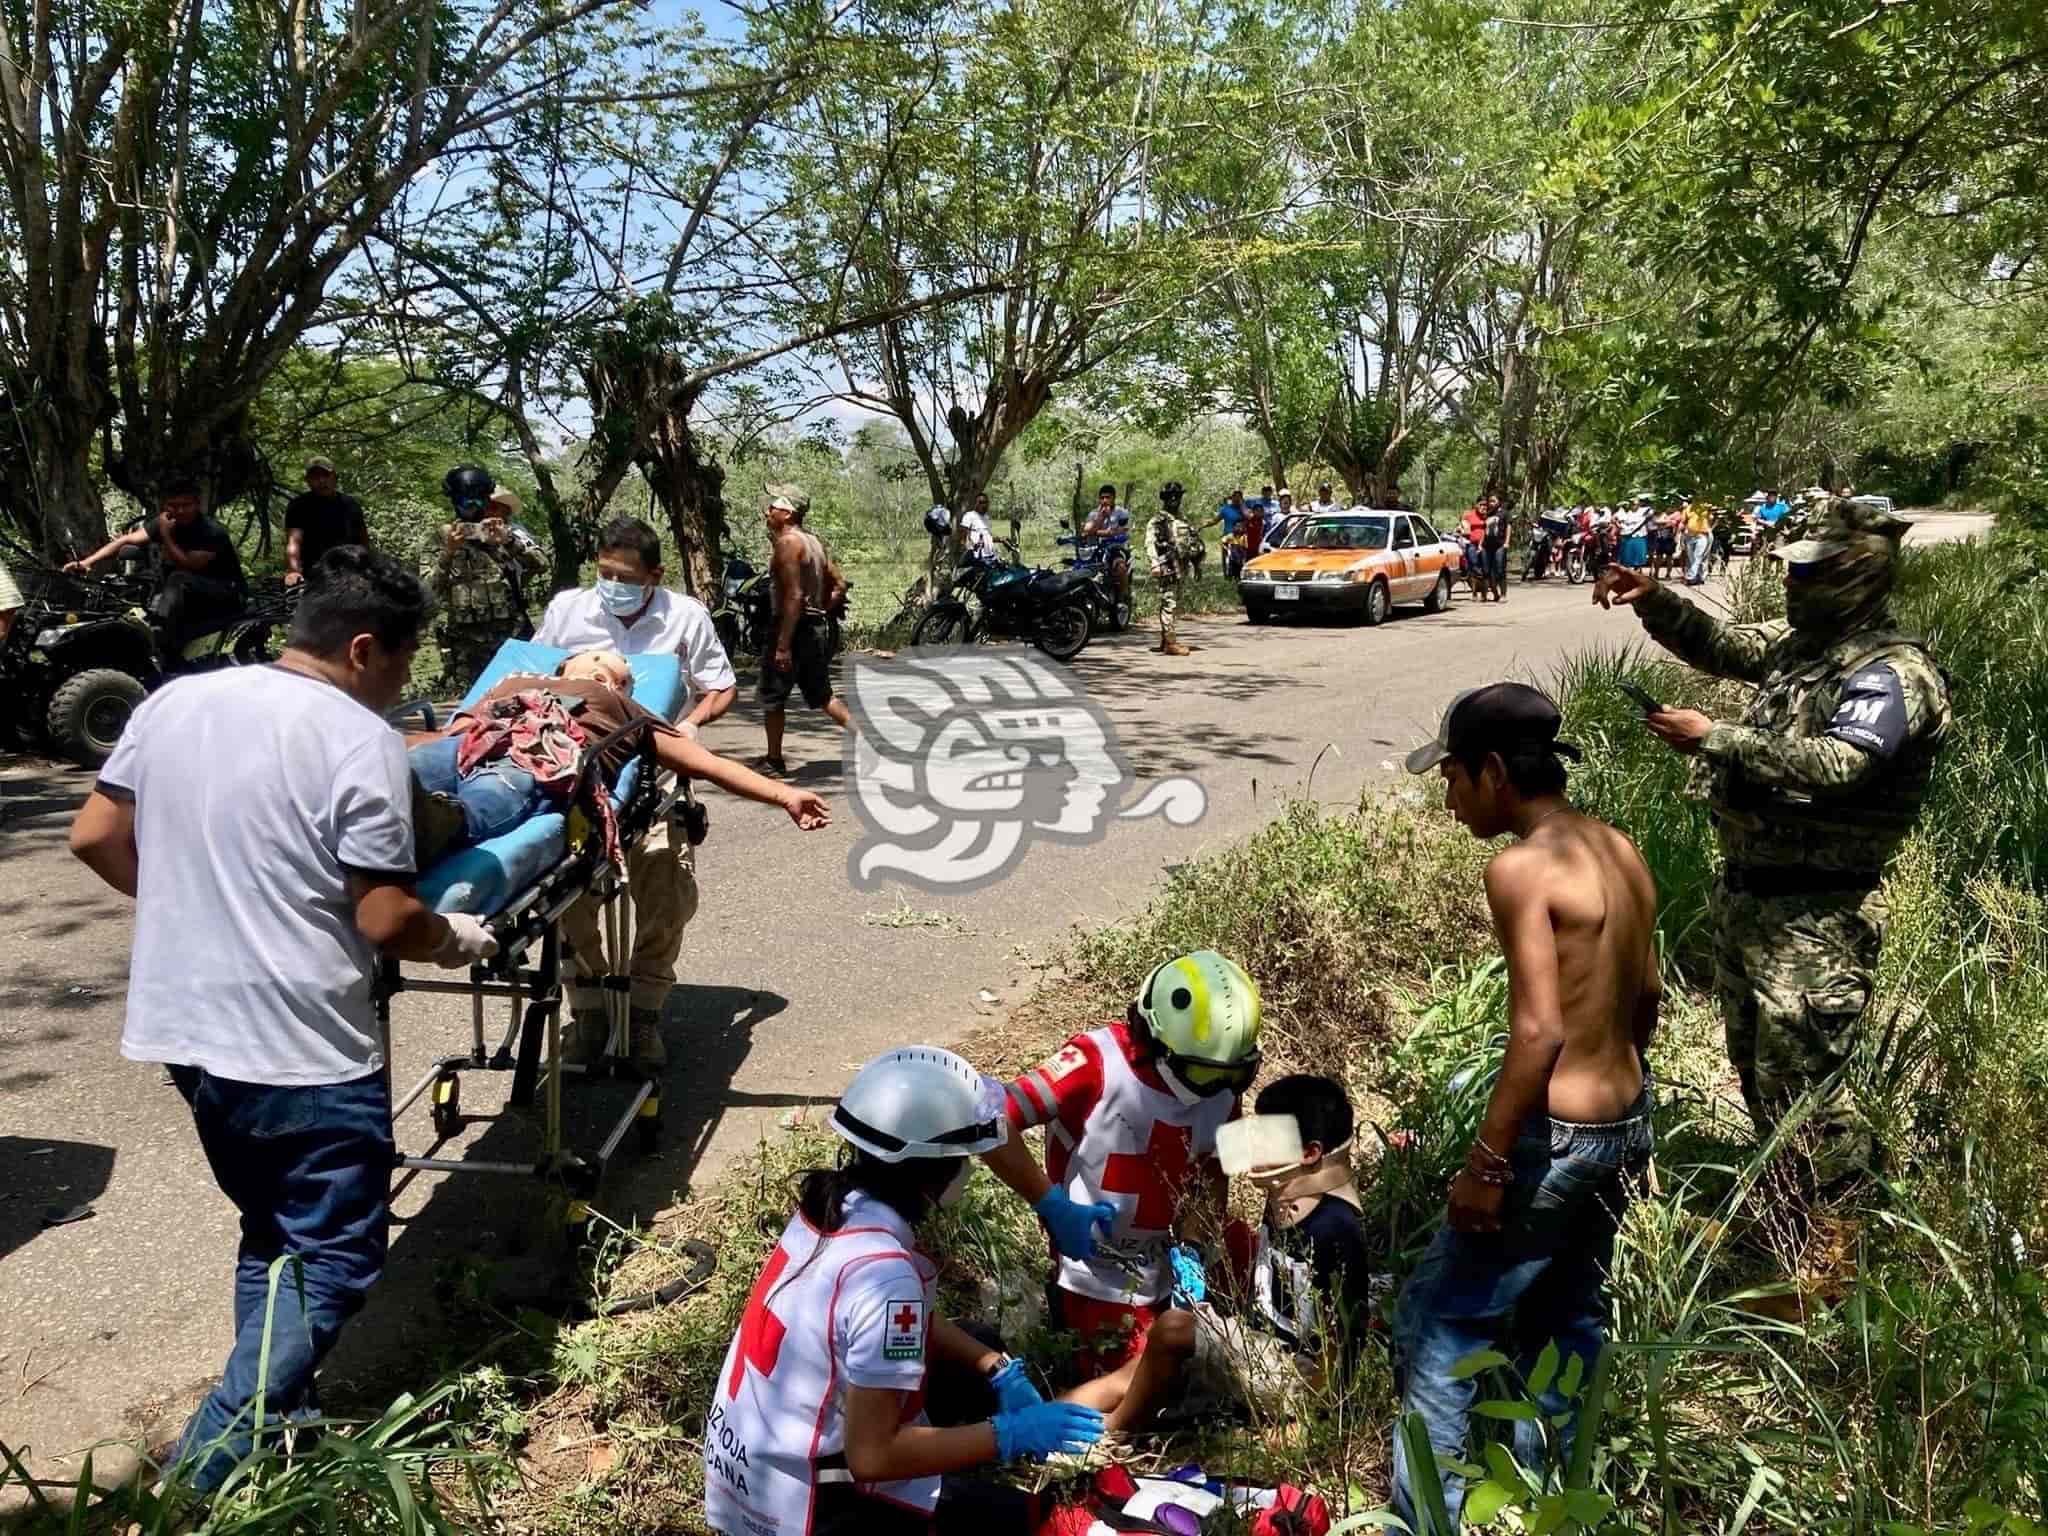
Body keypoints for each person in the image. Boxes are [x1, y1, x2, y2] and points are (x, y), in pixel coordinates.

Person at [66, 546, 497, 1496]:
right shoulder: (356, 739)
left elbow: (93, 835)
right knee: (338, 1251)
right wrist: (455, 937)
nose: (397, 692)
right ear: (362, 648)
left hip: (184, 1026)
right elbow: (385, 918)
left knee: (275, 1227)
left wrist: (197, 907)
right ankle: (207, 1474)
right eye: (399, 668)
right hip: (297, 1043)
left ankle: (278, 1412)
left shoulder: (175, 699)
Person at [1593, 499, 1950, 1191]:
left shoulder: (1892, 672)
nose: (1791, 584)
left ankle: (1834, 1251)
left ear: (1855, 577)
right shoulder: (1804, 650)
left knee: (1813, 1097)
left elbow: (1842, 764)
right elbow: (1724, 645)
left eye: (1808, 574)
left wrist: (1717, 736)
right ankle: (1793, 1215)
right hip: (1755, 902)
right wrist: (1654, 599)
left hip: (1816, 918)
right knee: (1765, 1075)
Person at [1396, 682, 1660, 1527]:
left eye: (1454, 778)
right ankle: (1556, 1502)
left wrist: (1488, 1163)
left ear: (1496, 771)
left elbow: (1538, 1032)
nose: (1448, 797)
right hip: (1624, 1123)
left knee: (1441, 1331)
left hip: (1554, 1139)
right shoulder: (1618, 849)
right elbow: (1646, 994)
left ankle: (1425, 1518)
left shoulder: (1518, 868)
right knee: (1566, 1316)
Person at [704, 1046, 1105, 1536]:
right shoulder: (888, 1279)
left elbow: (891, 1326)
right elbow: (873, 1457)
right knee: (1023, 1521)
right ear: (938, 1170)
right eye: (964, 1158)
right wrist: (1009, 1435)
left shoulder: (836, 1208)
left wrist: (994, 1367)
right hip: (808, 1509)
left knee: (976, 1343)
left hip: (749, 1474)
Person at [980, 950, 1263, 1430]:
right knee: (1150, 1383)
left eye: (1232, 1077)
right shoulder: (1096, 1063)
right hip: (1096, 1269)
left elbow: (1216, 1170)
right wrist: (1050, 1204)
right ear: (1157, 1040)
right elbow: (989, 1119)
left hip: (1165, 1256)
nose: (1217, 1088)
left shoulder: (1219, 1089)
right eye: (1205, 1074)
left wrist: (1194, 1245)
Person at [532, 516, 736, 1072]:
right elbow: (531, 675)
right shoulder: (567, 612)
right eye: (604, 572)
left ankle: (645, 1009)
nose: (612, 584)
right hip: (576, 765)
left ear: (654, 575)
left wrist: (691, 724)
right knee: (563, 890)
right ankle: (590, 1007)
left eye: (624, 576)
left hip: (656, 765)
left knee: (665, 886)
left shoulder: (684, 617)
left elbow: (721, 685)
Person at [407, 648, 829, 861]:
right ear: (564, 666)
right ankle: (385, 798)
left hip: (536, 761)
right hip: (468, 744)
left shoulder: (627, 710)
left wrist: (783, 794)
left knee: (497, 794)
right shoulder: (514, 681)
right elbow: (449, 734)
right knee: (412, 765)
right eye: (597, 662)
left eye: (621, 679)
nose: (611, 673)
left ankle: (440, 823)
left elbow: (708, 763)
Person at [1235, 1073, 1373, 1373]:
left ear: (1310, 1153)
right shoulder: (1280, 1201)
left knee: (1175, 1333)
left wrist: (1315, 1416)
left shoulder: (1336, 1227)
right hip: (1259, 1348)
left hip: (1295, 1373)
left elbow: (1346, 1338)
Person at [66, 477, 247, 660]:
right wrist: (87, 562)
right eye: (174, 505)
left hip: (225, 591)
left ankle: (156, 631)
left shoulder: (211, 531)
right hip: (188, 593)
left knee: (177, 578)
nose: (180, 511)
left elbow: (187, 565)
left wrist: (166, 535)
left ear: (197, 504)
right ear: (165, 506)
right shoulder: (165, 522)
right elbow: (126, 540)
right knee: (140, 581)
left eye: (186, 505)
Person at [424, 465, 547, 695]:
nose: (473, 508)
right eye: (466, 501)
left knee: (529, 700)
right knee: (477, 710)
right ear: (454, 500)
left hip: (512, 636)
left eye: (479, 501)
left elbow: (541, 564)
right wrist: (448, 553)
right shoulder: (441, 539)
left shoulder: (505, 532)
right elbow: (428, 592)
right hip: (467, 648)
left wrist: (507, 541)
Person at [758, 483, 854, 775]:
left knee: (773, 697)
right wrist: (822, 610)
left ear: (787, 512)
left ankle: (774, 760)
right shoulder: (814, 542)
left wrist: (783, 645)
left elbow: (794, 596)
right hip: (813, 627)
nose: (767, 511)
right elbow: (838, 584)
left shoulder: (788, 544)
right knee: (823, 695)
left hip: (792, 627)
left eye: (773, 506)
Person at [283, 458, 369, 585]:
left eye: (326, 475)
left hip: (351, 573)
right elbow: (294, 542)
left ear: (335, 477)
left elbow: (363, 541)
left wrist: (368, 567)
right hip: (314, 575)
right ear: (308, 481)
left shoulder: (350, 504)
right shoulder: (298, 506)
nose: (322, 481)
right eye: (315, 477)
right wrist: (293, 570)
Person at [1146, 481, 1195, 657]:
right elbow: (1150, 543)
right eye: (1170, 496)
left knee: (1175, 603)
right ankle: (1171, 643)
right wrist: (1154, 563)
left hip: (1181, 566)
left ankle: (1165, 639)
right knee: (1169, 602)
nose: (1174, 499)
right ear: (1164, 499)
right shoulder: (1158, 520)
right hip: (1166, 565)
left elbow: (1190, 542)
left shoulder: (1182, 519)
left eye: (1177, 496)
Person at [1481, 498, 1511, 603]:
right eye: (1490, 501)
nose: (1491, 503)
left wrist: (1506, 542)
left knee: (1500, 569)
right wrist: (1480, 545)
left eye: (1494, 501)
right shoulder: (1488, 514)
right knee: (1486, 571)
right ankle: (1493, 594)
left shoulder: (1504, 513)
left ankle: (1503, 594)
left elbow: (1508, 527)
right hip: (1487, 545)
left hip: (1500, 545)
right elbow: (1484, 531)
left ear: (1498, 502)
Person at [1684, 497, 1716, 585]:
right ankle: (1699, 576)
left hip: (1702, 535)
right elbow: (1684, 522)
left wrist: (1709, 529)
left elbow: (1712, 517)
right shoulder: (1688, 508)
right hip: (1689, 536)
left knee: (1698, 556)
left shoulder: (1706, 507)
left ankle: (1691, 577)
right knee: (1692, 558)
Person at [958, 492, 998, 561]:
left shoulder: (986, 518)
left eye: (985, 502)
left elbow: (988, 536)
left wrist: (1000, 540)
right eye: (981, 502)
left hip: (990, 555)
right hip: (976, 556)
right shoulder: (970, 515)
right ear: (975, 503)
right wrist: (971, 546)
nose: (983, 505)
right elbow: (962, 536)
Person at [1460, 504, 1486, 600]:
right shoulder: (1469, 514)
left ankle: (1484, 594)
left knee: (1484, 568)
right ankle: (1474, 593)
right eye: (1481, 504)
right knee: (1473, 566)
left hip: (1484, 545)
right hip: (1471, 544)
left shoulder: (1487, 515)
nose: (1483, 507)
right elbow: (1462, 525)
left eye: (1485, 505)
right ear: (1476, 505)